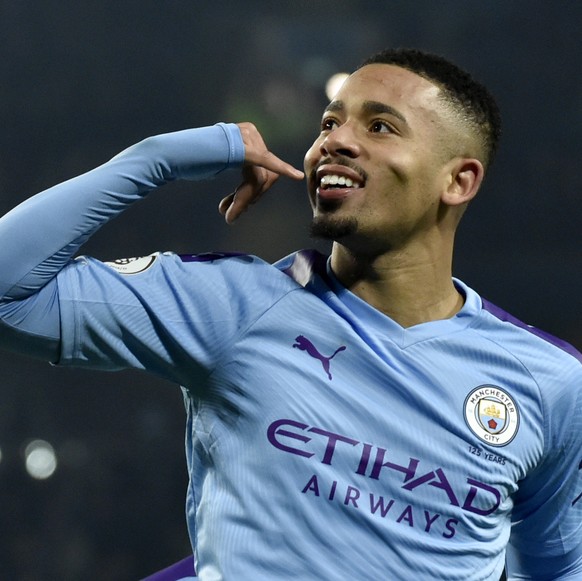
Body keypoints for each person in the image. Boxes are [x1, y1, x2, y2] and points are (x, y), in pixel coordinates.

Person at [0, 47, 580, 581]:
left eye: (379, 126)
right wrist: (157, 159)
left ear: (458, 180)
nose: (335, 141)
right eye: (330, 123)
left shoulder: (548, 383)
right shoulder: (233, 306)